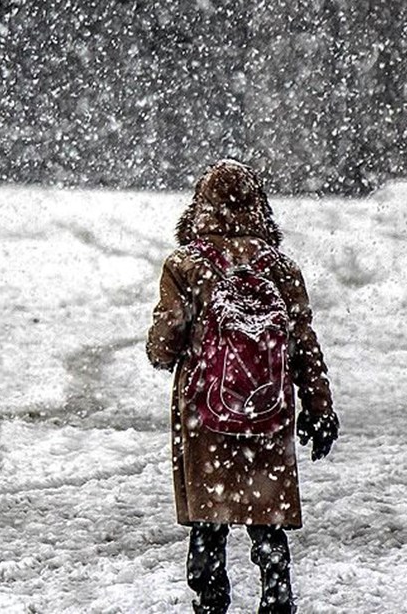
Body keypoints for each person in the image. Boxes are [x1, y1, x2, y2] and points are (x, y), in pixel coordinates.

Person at [146, 160, 339, 614]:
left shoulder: (186, 266)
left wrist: (168, 347)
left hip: (204, 412)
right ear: (260, 207)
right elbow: (303, 344)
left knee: (209, 517)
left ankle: (210, 599)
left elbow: (164, 345)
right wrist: (319, 407)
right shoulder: (280, 269)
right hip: (267, 413)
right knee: (264, 513)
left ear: (199, 207)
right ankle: (276, 595)